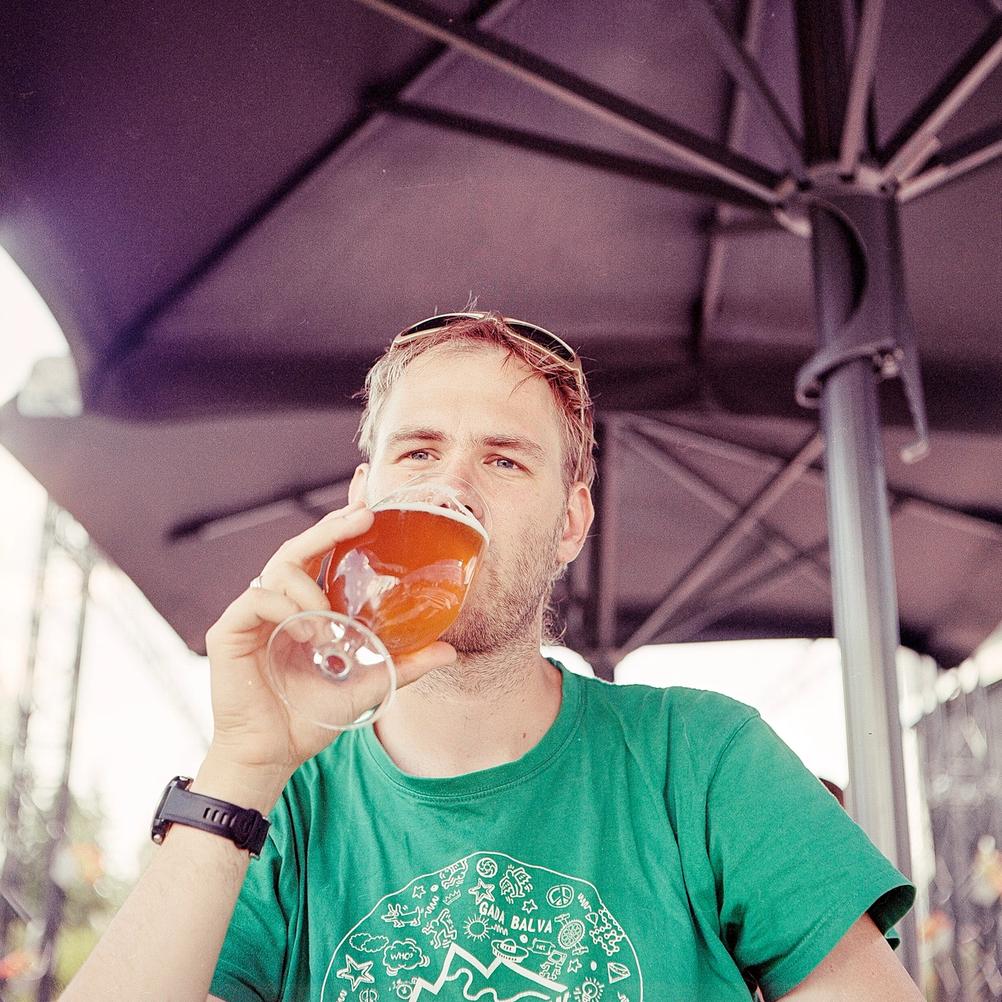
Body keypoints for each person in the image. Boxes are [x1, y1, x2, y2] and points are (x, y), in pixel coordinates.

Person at [63, 311, 922, 1001]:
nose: (454, 489)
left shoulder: (703, 760)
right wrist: (241, 767)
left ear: (571, 522)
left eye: (505, 459)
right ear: (365, 498)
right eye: (419, 451)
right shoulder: (275, 811)